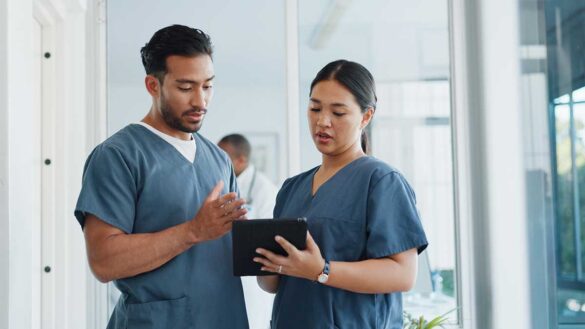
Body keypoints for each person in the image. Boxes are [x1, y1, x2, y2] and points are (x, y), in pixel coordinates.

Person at [74, 25, 249, 329]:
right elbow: (103, 261)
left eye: (207, 86)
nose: (200, 101)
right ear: (153, 86)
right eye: (185, 87)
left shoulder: (219, 160)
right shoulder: (118, 156)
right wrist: (193, 231)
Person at [256, 60, 428, 329]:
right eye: (315, 108)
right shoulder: (292, 188)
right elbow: (273, 284)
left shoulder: (382, 181)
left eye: (338, 113)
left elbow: (403, 274)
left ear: (366, 116)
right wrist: (262, 259)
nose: (322, 121)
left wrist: (321, 270)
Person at [218, 133, 278, 329]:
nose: (218, 161)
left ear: (241, 160)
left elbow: (267, 235)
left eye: (223, 156)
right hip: (224, 270)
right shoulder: (222, 184)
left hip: (252, 278)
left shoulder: (264, 189)